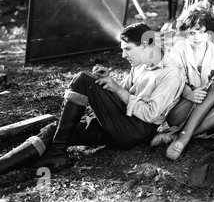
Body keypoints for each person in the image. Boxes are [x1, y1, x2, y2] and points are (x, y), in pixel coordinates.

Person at [0, 23, 185, 174]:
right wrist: (107, 81)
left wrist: (115, 89)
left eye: (128, 49)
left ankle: (57, 152)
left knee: (84, 80)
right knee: (53, 130)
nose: (123, 55)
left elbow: (151, 114)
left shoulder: (171, 74)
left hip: (135, 131)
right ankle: (33, 158)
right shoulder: (141, 63)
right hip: (118, 121)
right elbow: (125, 90)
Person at [150, 1, 214, 161]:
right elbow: (175, 78)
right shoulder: (178, 50)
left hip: (209, 106)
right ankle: (182, 135)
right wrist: (189, 93)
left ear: (209, 33)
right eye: (192, 33)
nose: (197, 38)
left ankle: (180, 136)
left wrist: (210, 87)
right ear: (184, 33)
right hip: (182, 106)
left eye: (202, 32)